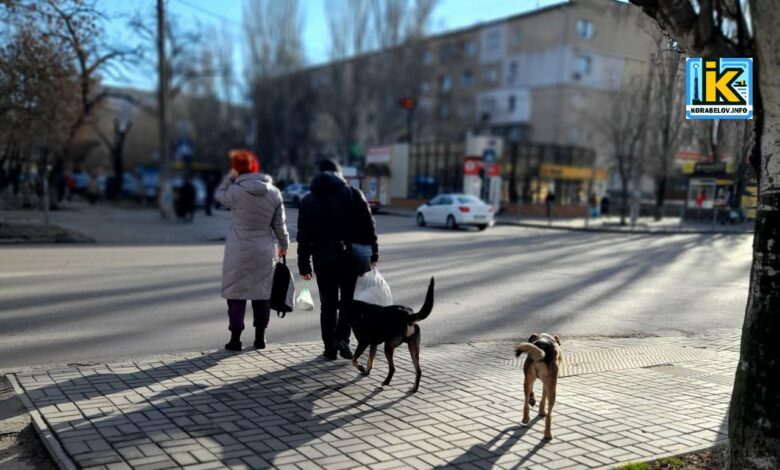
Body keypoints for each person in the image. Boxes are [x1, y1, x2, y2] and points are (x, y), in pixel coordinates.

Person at [297, 159, 378, 360]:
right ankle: (343, 339)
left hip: (323, 260)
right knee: (348, 302)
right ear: (338, 173)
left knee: (328, 305)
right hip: (350, 258)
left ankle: (330, 348)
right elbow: (368, 227)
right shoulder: (353, 194)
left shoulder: (307, 200)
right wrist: (373, 255)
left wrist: (304, 264)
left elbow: (303, 237)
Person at [216, 150, 289, 352]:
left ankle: (235, 339)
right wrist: (283, 246)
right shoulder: (274, 193)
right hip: (264, 250)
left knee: (236, 294)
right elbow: (280, 225)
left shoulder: (235, 191)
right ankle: (260, 337)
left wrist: (229, 178)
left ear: (237, 170)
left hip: (238, 250)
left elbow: (219, 195)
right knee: (262, 294)